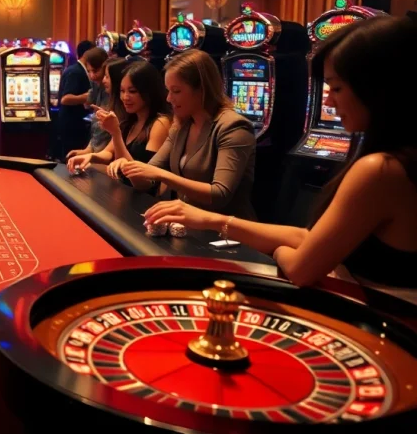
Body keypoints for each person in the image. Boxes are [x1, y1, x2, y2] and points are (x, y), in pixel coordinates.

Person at [145, 17, 417, 288]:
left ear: (377, 88)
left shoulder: (380, 169)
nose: (329, 101)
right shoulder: (399, 160)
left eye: (336, 88)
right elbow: (309, 237)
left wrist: (275, 251)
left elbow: (301, 268)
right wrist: (212, 221)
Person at [120, 49, 256, 219]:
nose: (168, 99)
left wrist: (164, 175)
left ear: (202, 90)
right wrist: (130, 169)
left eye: (176, 91)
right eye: (168, 91)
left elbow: (219, 195)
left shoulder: (233, 127)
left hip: (226, 232)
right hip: (187, 223)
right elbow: (148, 180)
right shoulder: (181, 124)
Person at [68, 61, 171, 179]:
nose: (125, 97)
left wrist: (116, 133)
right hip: (123, 189)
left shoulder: (160, 123)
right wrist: (90, 156)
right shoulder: (130, 120)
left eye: (132, 91)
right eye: (122, 91)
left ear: (149, 92)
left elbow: (143, 178)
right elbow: (108, 153)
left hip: (144, 195)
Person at [65, 58, 126, 161]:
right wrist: (87, 151)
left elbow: (111, 153)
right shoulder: (106, 97)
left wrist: (90, 156)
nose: (103, 80)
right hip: (100, 161)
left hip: (111, 166)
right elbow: (98, 137)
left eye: (107, 76)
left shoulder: (125, 111)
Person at [54, 46, 108, 159]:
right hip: (83, 131)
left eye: (96, 71)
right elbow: (68, 100)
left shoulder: (111, 87)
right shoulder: (77, 73)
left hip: (106, 144)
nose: (92, 75)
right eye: (89, 71)